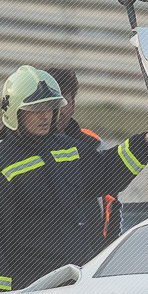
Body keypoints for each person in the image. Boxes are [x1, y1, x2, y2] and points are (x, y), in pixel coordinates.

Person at [0, 65, 148, 294]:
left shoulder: (68, 150)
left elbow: (107, 172)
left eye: (50, 107)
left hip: (79, 283)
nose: (46, 116)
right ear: (14, 112)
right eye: (36, 108)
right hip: (34, 291)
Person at [45, 67, 122, 252]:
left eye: (64, 102)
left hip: (90, 255)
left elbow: (111, 203)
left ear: (73, 104)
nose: (59, 110)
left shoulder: (93, 144)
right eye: (52, 102)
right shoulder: (21, 147)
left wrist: (109, 252)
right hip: (41, 256)